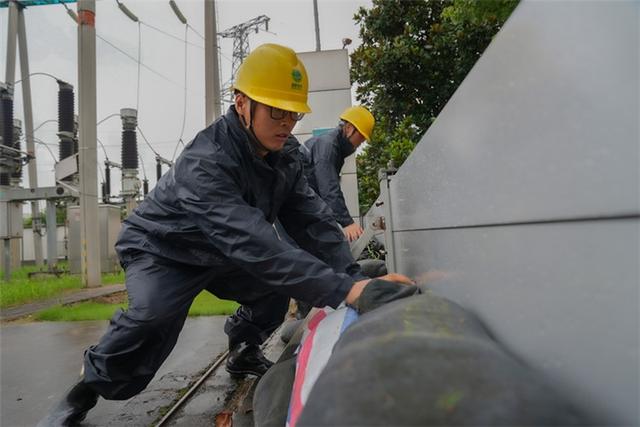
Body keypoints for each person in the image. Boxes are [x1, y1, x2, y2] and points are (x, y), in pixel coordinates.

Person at [38, 43, 412, 427]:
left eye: (293, 113)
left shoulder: (284, 156)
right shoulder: (207, 160)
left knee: (274, 292)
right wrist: (346, 291)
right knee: (151, 320)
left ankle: (243, 346)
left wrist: (354, 278)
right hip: (164, 250)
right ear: (242, 103)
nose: (287, 122)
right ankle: (86, 387)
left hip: (223, 252)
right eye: (276, 111)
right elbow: (253, 243)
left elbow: (311, 220)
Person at [300, 106, 375, 242]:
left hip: (302, 204)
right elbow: (328, 187)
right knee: (324, 245)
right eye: (361, 136)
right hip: (295, 206)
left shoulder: (335, 147)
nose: (362, 142)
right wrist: (347, 222)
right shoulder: (328, 146)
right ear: (350, 128)